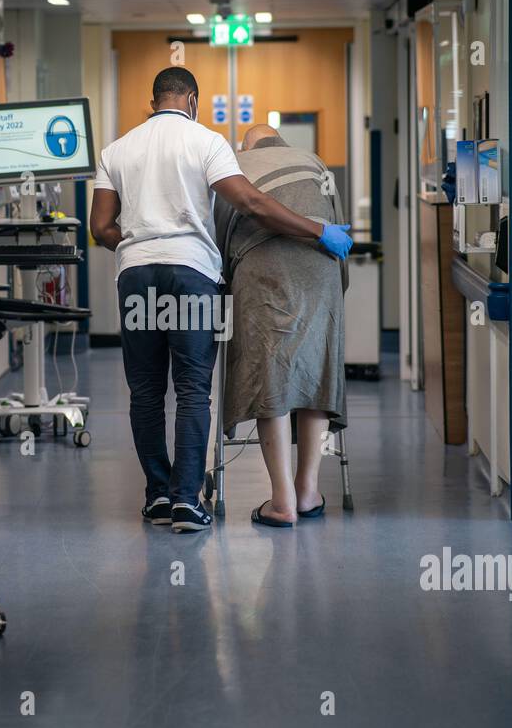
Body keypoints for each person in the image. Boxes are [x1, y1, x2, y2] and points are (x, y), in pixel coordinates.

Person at [90, 67, 353, 533]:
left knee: (147, 391)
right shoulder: (207, 142)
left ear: (153, 102)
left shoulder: (116, 150)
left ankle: (157, 496)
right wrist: (318, 229)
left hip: (136, 276)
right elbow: (251, 203)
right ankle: (187, 502)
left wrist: (138, 244)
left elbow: (101, 228)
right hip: (192, 273)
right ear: (191, 98)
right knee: (193, 388)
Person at [216, 125, 348, 527]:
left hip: (261, 272)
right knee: (316, 373)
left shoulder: (234, 165)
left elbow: (220, 237)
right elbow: (337, 227)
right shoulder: (315, 163)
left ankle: (282, 501)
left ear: (246, 145)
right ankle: (308, 491)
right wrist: (335, 291)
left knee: (268, 373)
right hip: (322, 273)